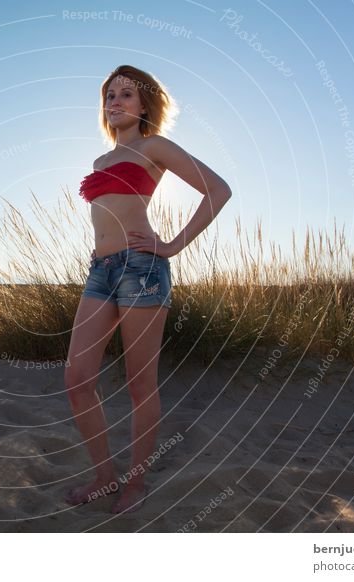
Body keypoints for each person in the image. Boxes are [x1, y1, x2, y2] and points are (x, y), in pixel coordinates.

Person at [64, 65, 232, 514]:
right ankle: (104, 477)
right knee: (78, 380)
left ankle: (135, 484)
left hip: (142, 268)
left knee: (141, 385)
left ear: (144, 106)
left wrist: (173, 244)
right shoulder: (100, 161)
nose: (114, 102)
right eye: (110, 95)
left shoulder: (152, 147)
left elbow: (218, 189)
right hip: (100, 272)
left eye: (126, 95)